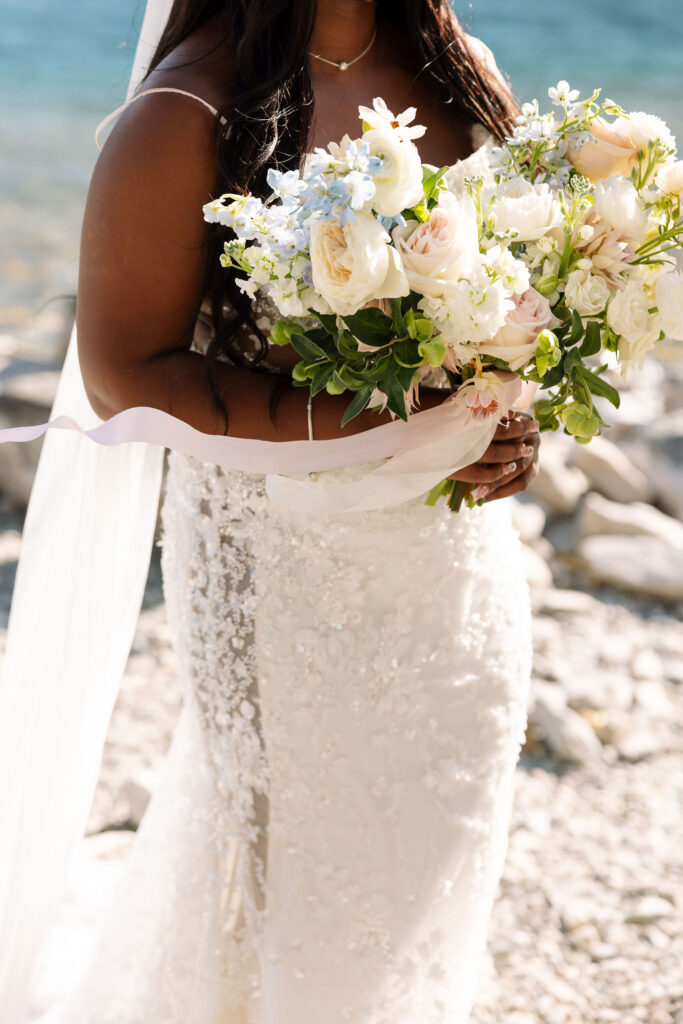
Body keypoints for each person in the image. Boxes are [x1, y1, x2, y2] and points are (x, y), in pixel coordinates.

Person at [28, 1, 540, 1021]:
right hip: (282, 580)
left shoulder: (459, 72)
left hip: (453, 572)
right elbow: (124, 370)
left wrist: (510, 418)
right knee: (288, 871)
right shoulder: (182, 112)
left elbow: (514, 304)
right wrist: (368, 419)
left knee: (436, 837)